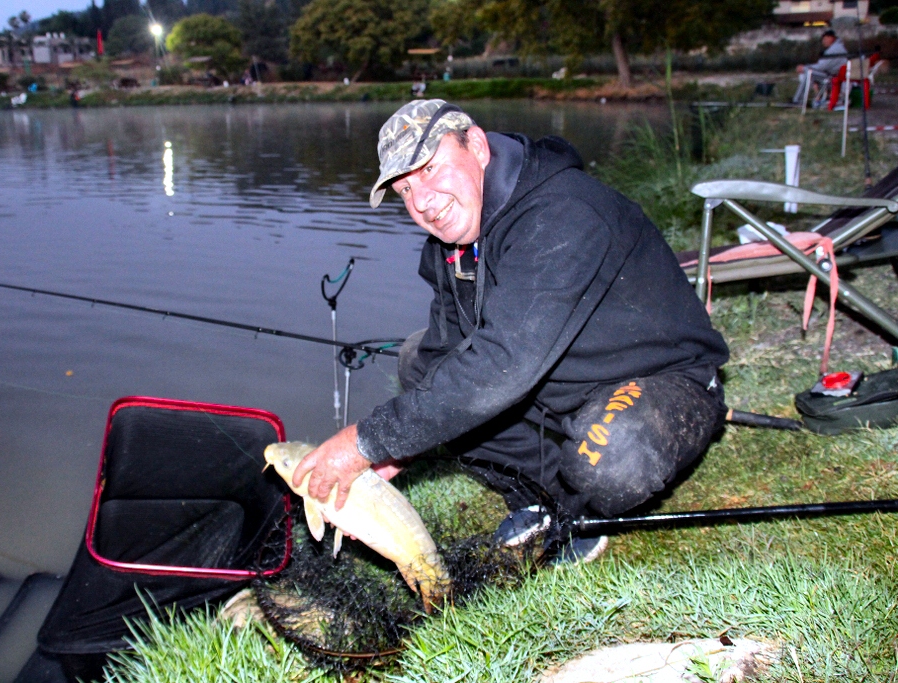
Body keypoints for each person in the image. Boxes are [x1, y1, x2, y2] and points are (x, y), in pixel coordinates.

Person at [293, 99, 730, 564]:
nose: (422, 202)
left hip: (655, 379)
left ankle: (580, 511)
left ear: (477, 146)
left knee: (612, 459)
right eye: (403, 189)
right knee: (419, 364)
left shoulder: (562, 211)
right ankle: (540, 499)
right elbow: (446, 354)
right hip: (552, 385)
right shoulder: (449, 246)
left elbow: (505, 362)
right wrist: (398, 452)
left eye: (429, 170)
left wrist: (367, 441)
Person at [792, 30, 848, 105]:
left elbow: (822, 66)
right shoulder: (838, 47)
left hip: (833, 77)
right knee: (807, 73)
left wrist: (804, 68)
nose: (823, 42)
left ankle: (798, 100)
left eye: (824, 39)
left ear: (830, 38)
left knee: (809, 73)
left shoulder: (834, 50)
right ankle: (804, 98)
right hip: (834, 75)